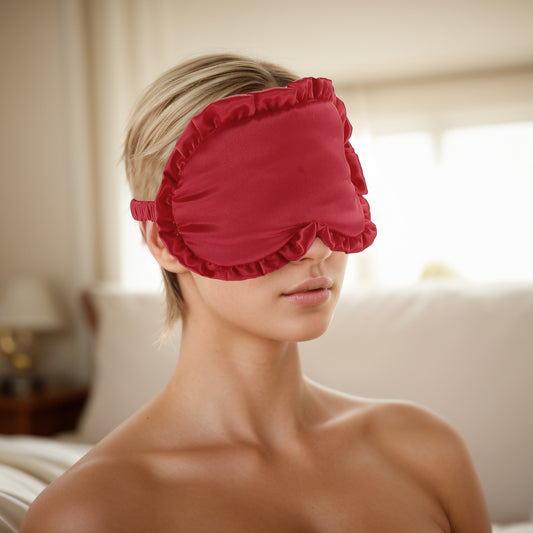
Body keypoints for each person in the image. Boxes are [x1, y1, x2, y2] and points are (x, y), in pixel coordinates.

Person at [21, 53, 491, 532]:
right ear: (165, 241)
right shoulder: (92, 515)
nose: (317, 248)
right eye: (265, 211)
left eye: (330, 200)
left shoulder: (424, 453)